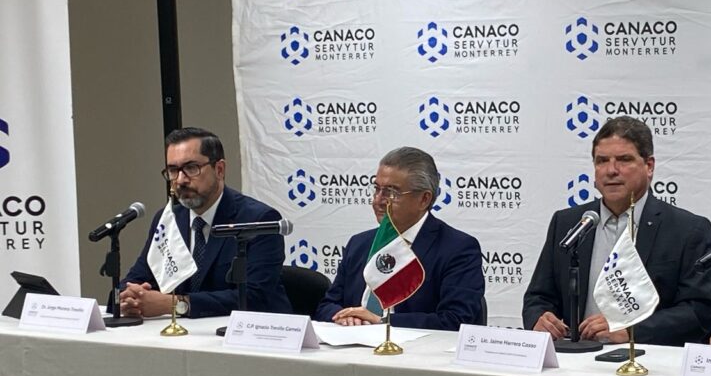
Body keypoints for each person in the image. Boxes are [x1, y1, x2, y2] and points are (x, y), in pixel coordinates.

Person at [522, 116, 711, 346]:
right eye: (602, 161)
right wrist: (539, 319)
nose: (611, 170)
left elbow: (698, 312)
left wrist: (631, 331)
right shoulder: (568, 222)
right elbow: (538, 297)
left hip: (649, 359)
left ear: (649, 166)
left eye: (624, 160)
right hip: (575, 358)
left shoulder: (687, 230)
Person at [120, 127, 291, 318]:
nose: (180, 180)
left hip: (252, 331)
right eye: (173, 170)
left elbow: (255, 297)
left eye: (191, 168)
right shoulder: (169, 219)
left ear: (219, 170)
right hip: (189, 333)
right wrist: (129, 297)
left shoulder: (258, 219)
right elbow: (137, 277)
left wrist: (177, 305)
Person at [315, 147, 485, 330]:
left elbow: (454, 320)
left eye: (391, 193)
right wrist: (346, 317)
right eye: (377, 189)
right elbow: (327, 306)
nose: (378, 200)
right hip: (350, 342)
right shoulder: (359, 243)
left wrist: (381, 322)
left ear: (424, 199)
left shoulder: (458, 249)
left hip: (414, 346)